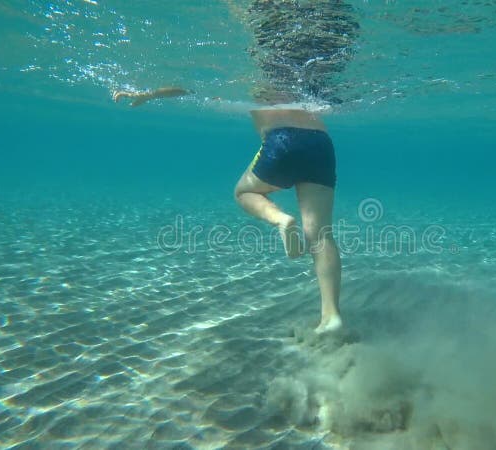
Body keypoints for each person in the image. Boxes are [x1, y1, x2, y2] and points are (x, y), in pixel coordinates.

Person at [112, 0, 359, 333]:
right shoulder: (314, 77)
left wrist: (148, 94)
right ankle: (331, 316)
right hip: (321, 145)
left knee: (243, 192)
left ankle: (280, 220)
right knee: (320, 234)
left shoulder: (256, 71)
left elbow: (188, 87)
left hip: (282, 140)